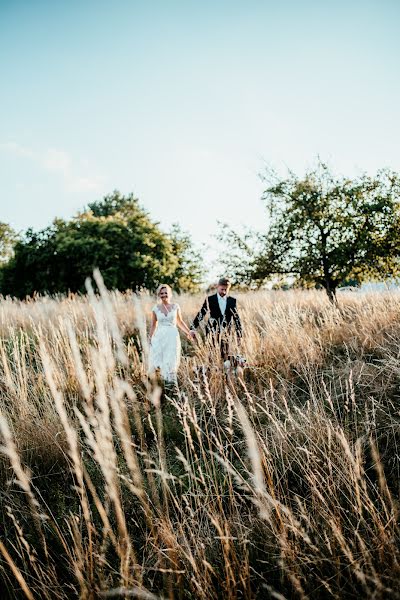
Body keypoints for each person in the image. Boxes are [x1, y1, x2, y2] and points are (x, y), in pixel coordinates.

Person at [148, 284, 195, 384]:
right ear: (159, 295)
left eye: (166, 293)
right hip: (159, 337)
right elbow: (153, 325)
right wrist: (150, 338)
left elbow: (180, 322)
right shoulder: (155, 309)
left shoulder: (175, 307)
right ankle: (158, 382)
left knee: (171, 358)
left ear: (170, 294)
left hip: (172, 336)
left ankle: (170, 383)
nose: (164, 295)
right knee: (158, 358)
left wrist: (188, 332)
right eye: (161, 293)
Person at [191, 277, 242, 359]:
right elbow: (201, 314)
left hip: (226, 333)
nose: (224, 292)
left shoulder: (232, 301)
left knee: (226, 355)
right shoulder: (210, 299)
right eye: (222, 289)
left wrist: (239, 333)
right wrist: (193, 328)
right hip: (212, 331)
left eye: (226, 290)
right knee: (212, 356)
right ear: (217, 286)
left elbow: (236, 318)